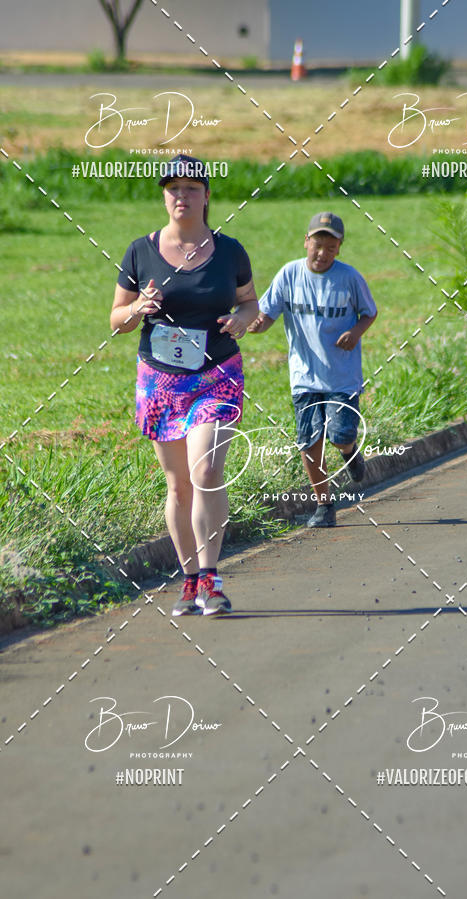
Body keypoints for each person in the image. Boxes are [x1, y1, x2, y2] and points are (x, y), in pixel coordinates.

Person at [110, 154, 258, 615]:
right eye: (173, 188)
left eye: (192, 188)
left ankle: (212, 579)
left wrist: (241, 319)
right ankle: (189, 580)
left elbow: (251, 305)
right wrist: (139, 309)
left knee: (207, 473)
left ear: (207, 195)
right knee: (178, 487)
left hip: (217, 376)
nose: (182, 196)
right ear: (163, 195)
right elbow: (117, 322)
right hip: (160, 381)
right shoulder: (141, 251)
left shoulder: (230, 250)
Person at [248, 212, 377, 527]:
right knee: (309, 441)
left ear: (339, 248)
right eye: (317, 244)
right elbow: (266, 314)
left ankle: (349, 452)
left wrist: (356, 332)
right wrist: (255, 324)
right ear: (306, 242)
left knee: (339, 437)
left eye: (330, 247)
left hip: (341, 377)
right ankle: (324, 506)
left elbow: (369, 313)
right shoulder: (289, 275)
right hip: (304, 376)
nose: (322, 253)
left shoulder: (349, 278)